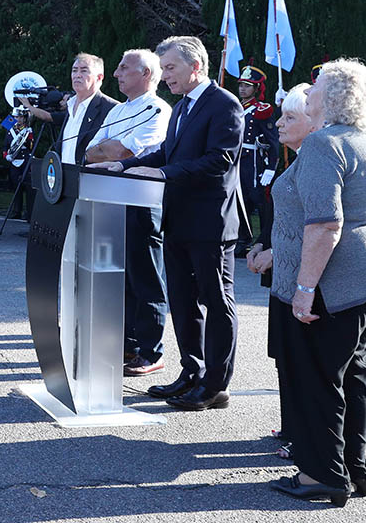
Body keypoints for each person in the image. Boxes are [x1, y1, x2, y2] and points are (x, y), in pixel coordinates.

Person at [88, 36, 246, 412]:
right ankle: (191, 372)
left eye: (171, 67)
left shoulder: (225, 104)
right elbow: (166, 151)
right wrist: (124, 165)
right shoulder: (182, 107)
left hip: (209, 224)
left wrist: (161, 173)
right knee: (183, 301)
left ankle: (215, 385)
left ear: (196, 67)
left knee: (216, 302)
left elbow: (219, 161)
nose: (165, 75)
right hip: (177, 221)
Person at [258, 61, 366, 506]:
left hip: (327, 283)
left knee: (316, 378)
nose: (308, 93)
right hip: (361, 281)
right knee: (353, 375)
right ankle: (353, 469)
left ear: (335, 96)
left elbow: (325, 224)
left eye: (317, 87)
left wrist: (305, 288)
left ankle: (319, 475)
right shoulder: (364, 140)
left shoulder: (324, 143)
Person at [84, 49, 173, 376]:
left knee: (147, 277)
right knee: (120, 277)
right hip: (110, 199)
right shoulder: (118, 110)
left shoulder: (157, 109)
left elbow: (121, 151)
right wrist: (104, 150)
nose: (118, 73)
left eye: (125, 68)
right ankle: (128, 344)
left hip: (141, 200)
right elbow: (91, 149)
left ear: (146, 74)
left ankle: (151, 351)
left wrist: (107, 150)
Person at [245, 84, 312, 466]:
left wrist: (274, 252)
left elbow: (319, 226)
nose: (279, 123)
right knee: (283, 355)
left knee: (301, 358)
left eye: (289, 117)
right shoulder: (293, 160)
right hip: (279, 273)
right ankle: (290, 428)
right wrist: (257, 243)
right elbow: (276, 214)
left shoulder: (317, 161)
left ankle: (303, 435)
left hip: (298, 274)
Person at [22, 52, 119, 165]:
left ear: (99, 77)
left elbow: (117, 154)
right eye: (74, 70)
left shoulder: (113, 108)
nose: (77, 75)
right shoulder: (70, 106)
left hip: (91, 179)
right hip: (64, 178)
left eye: (84, 71)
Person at [237, 65, 280, 248]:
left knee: (260, 202)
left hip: (254, 162)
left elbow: (273, 141)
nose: (242, 89)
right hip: (237, 160)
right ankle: (243, 239)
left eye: (247, 86)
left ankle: (264, 240)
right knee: (240, 202)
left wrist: (271, 168)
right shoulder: (235, 107)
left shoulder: (262, 110)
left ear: (256, 89)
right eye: (241, 85)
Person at [3, 109, 34, 220]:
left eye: (20, 117)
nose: (18, 119)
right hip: (14, 160)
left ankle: (29, 212)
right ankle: (17, 210)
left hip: (25, 161)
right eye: (16, 117)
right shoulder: (10, 130)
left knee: (27, 187)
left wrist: (27, 138)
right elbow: (5, 146)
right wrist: (6, 155)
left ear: (24, 118)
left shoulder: (28, 130)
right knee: (16, 186)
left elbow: (31, 147)